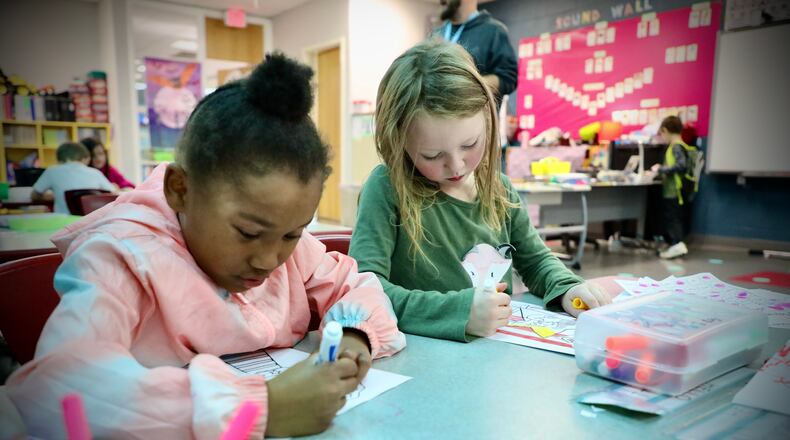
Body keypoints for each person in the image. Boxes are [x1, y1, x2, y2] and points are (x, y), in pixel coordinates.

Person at [6, 53, 406, 439]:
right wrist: (260, 408)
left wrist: (356, 336)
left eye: (291, 235)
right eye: (247, 233)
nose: (269, 259)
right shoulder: (121, 256)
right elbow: (61, 389)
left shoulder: (283, 239)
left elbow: (355, 285)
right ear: (180, 190)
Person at [349, 40, 610, 342]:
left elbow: (536, 261)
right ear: (399, 144)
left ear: (487, 120)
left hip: (494, 360)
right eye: (432, 156)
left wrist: (567, 287)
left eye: (469, 145)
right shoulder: (387, 187)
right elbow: (366, 288)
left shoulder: (500, 189)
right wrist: (456, 312)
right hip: (421, 361)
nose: (456, 165)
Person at [434, 0, 518, 110]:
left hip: (473, 122)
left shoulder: (494, 31)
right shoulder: (437, 34)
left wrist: (466, 87)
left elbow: (509, 79)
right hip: (436, 119)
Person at [651, 115, 698, 259]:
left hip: (674, 191)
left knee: (673, 219)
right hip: (679, 191)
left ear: (665, 130)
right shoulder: (683, 145)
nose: (662, 138)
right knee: (675, 218)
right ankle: (676, 244)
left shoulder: (676, 146)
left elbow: (680, 165)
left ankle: (677, 245)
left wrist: (661, 169)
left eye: (661, 134)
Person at [30, 141, 115, 213]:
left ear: (59, 159)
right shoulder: (96, 173)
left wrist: (53, 195)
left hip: (63, 221)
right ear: (85, 158)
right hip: (90, 221)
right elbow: (113, 193)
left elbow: (34, 195)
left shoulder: (52, 171)